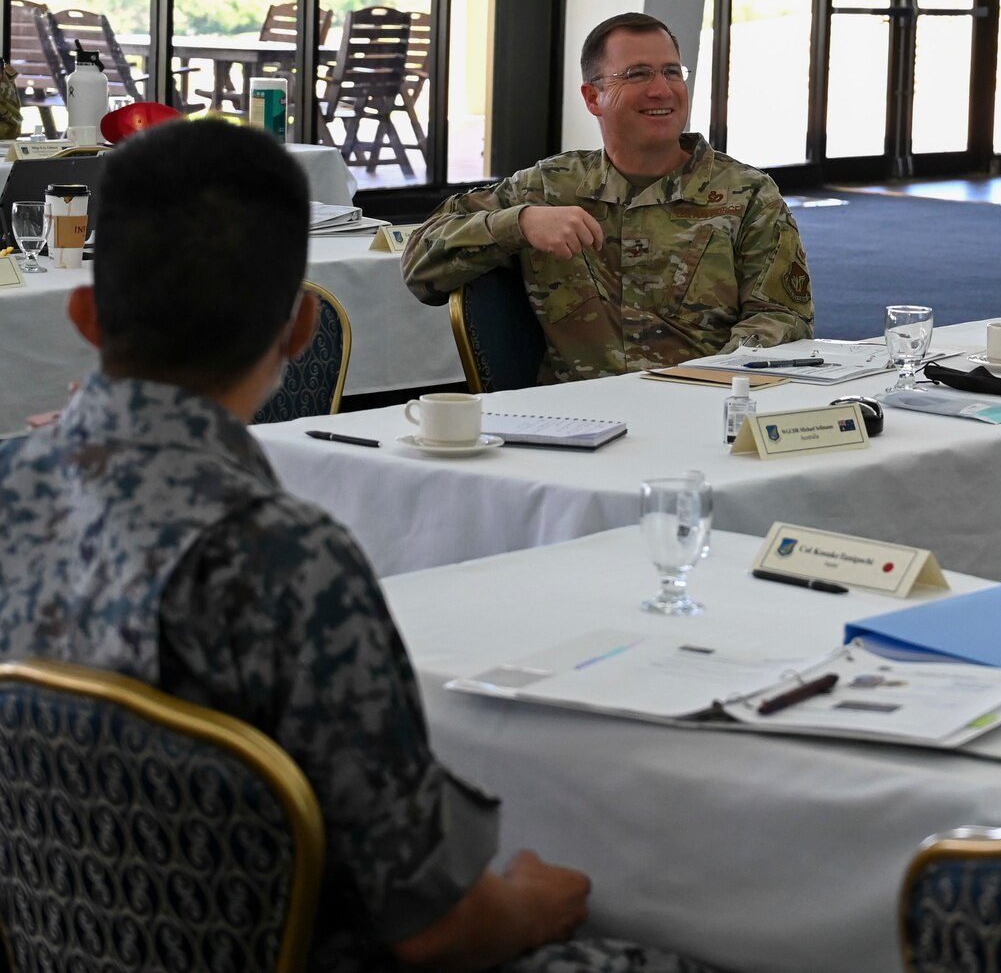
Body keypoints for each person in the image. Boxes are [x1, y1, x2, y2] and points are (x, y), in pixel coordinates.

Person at [0, 121, 694, 973]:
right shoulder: (283, 560)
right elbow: (433, 929)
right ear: (298, 333)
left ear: (83, 311)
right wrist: (526, 904)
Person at [402, 12, 812, 382]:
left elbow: (781, 319)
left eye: (672, 72)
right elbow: (421, 268)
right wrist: (519, 224)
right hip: (575, 424)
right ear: (593, 97)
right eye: (637, 74)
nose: (662, 90)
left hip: (704, 411)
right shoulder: (548, 187)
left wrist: (709, 384)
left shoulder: (748, 194)